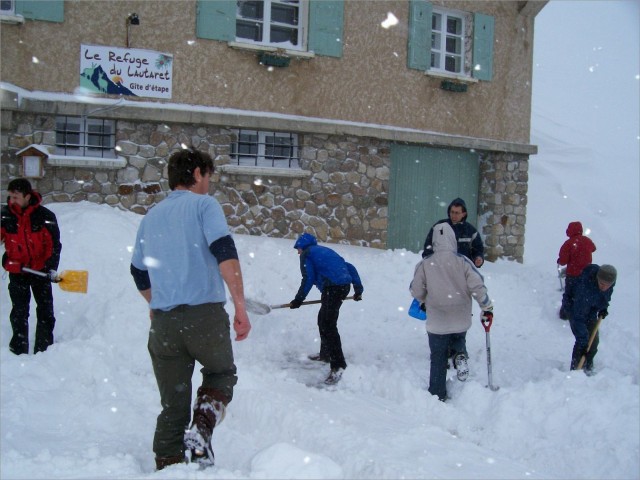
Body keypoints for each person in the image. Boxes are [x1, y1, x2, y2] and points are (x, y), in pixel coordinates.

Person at [130, 148, 252, 471]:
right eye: (208, 176)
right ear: (197, 173)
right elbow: (223, 251)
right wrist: (240, 305)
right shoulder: (204, 206)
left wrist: (155, 302)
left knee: (173, 405)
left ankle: (168, 467)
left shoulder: (151, 217)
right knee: (221, 374)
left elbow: (138, 272)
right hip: (205, 316)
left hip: (165, 325)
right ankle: (201, 430)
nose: (209, 184)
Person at [411, 222, 493, 402]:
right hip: (460, 315)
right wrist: (487, 307)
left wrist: (426, 298)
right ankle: (459, 355)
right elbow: (478, 285)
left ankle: (437, 394)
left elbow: (416, 290)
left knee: (438, 357)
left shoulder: (425, 264)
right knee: (458, 337)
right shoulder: (463, 261)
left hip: (437, 320)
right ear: (452, 239)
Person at [289, 233, 363, 386]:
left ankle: (338, 366)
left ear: (304, 247)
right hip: (341, 287)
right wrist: (357, 289)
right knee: (323, 320)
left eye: (299, 248)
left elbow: (308, 278)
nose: (298, 252)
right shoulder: (324, 251)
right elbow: (349, 267)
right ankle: (326, 354)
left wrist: (298, 299)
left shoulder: (308, 254)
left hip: (333, 288)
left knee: (328, 324)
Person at [1, 178, 61, 355]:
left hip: (40, 271)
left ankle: (44, 348)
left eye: (16, 197)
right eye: (10, 197)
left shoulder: (45, 216)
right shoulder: (5, 216)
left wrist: (50, 268)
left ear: (28, 196)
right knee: (19, 312)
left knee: (45, 311)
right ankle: (18, 349)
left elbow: (54, 245)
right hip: (18, 272)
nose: (12, 201)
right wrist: (6, 260)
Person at [567, 264, 616, 375]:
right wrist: (583, 342)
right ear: (597, 279)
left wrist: (603, 307)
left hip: (590, 311)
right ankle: (575, 372)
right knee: (582, 342)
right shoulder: (584, 289)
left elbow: (606, 295)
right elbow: (577, 317)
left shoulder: (609, 283)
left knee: (593, 343)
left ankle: (587, 366)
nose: (604, 287)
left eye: (608, 285)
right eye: (602, 284)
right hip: (574, 309)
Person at [422, 197, 485, 268]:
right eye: (452, 212)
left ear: (464, 214)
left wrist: (478, 258)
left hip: (462, 270)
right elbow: (428, 246)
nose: (454, 215)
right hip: (441, 270)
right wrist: (430, 261)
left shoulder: (471, 231)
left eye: (457, 213)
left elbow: (478, 249)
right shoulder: (439, 227)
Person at [557, 221, 596, 320]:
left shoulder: (568, 244)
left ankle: (565, 314)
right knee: (582, 294)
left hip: (573, 274)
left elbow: (563, 261)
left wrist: (560, 260)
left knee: (569, 294)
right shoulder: (587, 241)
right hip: (587, 274)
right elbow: (593, 248)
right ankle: (582, 313)